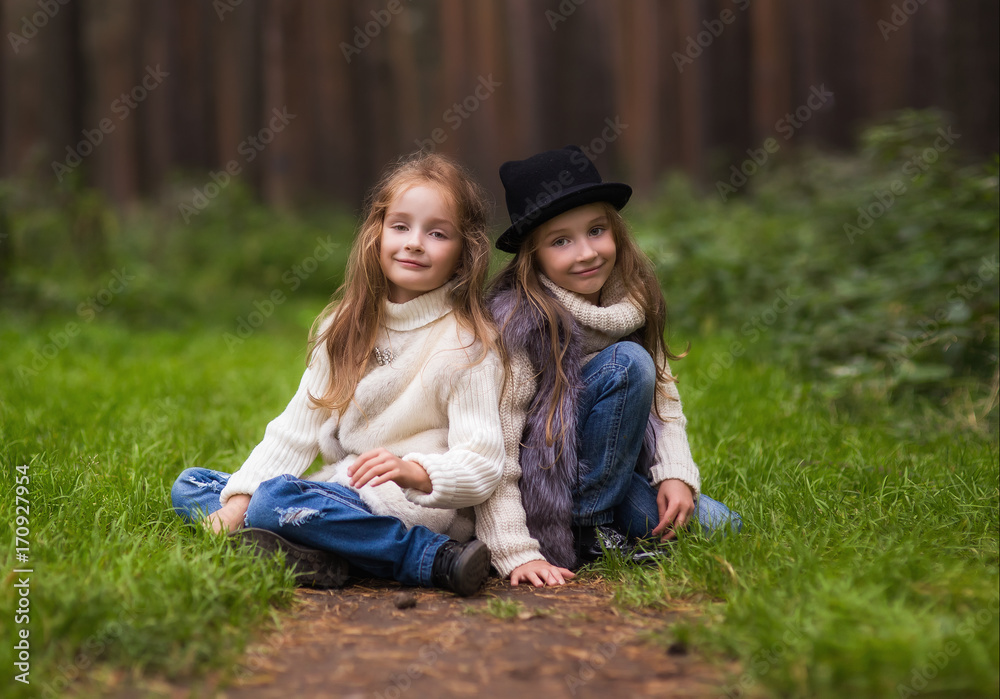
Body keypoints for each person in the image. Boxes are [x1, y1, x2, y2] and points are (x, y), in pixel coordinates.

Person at [170, 152, 506, 597]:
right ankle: (325, 549)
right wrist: (239, 502)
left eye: (437, 233)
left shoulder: (466, 344)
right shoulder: (344, 327)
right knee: (192, 484)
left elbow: (483, 464)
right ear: (377, 233)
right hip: (338, 492)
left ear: (465, 252)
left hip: (408, 505)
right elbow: (294, 432)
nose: (414, 242)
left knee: (276, 500)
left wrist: (413, 470)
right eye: (401, 226)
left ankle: (429, 557)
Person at [476, 146, 742, 588]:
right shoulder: (519, 324)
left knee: (724, 527)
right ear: (533, 256)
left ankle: (604, 522)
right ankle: (588, 529)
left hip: (612, 476)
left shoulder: (631, 304)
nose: (586, 253)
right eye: (561, 240)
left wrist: (674, 474)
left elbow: (664, 404)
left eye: (596, 230)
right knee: (626, 364)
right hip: (546, 490)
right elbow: (499, 444)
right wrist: (511, 547)